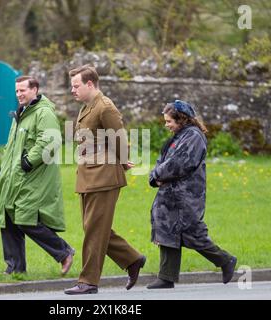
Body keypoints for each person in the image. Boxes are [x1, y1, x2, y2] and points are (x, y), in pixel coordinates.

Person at [64, 64, 146, 295]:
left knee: (94, 230)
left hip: (104, 176)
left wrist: (123, 161)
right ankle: (132, 259)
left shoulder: (105, 106)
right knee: (95, 228)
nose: (73, 90)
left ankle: (88, 282)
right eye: (72, 86)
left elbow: (119, 137)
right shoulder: (87, 106)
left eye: (76, 85)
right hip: (89, 175)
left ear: (90, 84)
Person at [147, 100, 237, 289]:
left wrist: (157, 175)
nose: (166, 125)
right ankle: (166, 277)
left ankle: (225, 260)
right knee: (168, 231)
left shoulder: (193, 136)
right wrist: (156, 177)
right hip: (171, 195)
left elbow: (179, 163)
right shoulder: (178, 136)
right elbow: (162, 161)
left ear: (181, 119)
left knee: (192, 233)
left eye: (169, 121)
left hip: (184, 196)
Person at [0, 75, 74, 276]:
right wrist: (4, 167)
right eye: (17, 91)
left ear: (35, 89)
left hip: (33, 177)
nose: (19, 94)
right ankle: (15, 269)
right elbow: (12, 146)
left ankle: (64, 251)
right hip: (14, 177)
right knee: (9, 219)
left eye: (23, 90)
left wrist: (29, 161)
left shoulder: (43, 113)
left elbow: (51, 141)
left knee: (25, 219)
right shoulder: (21, 113)